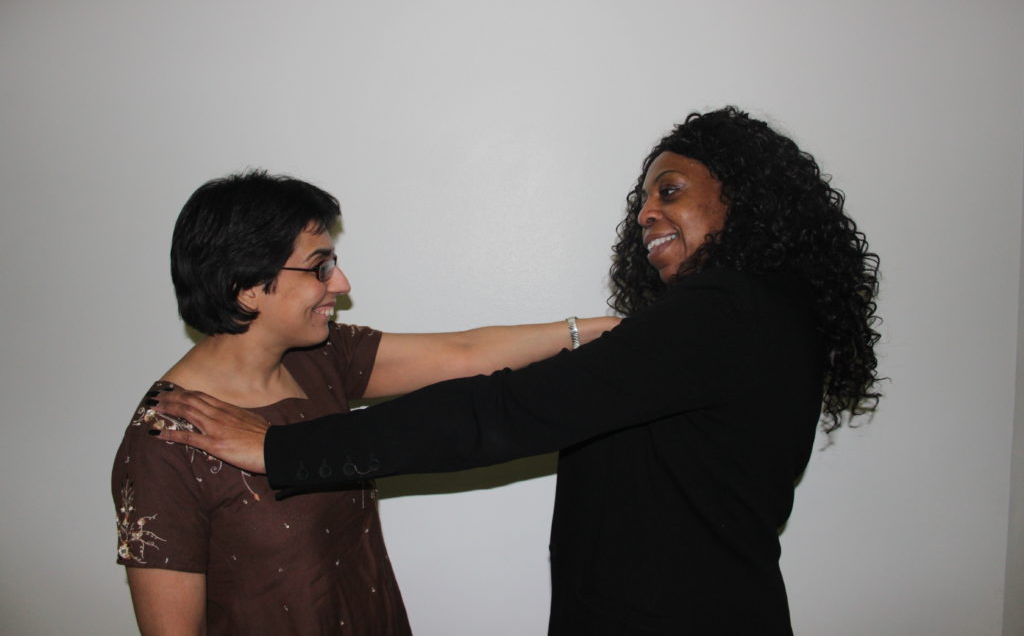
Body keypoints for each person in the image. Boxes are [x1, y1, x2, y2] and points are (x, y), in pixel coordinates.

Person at [152, 107, 882, 635]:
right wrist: (584, 332)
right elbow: (465, 355)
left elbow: (501, 411)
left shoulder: (725, 309)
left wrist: (279, 447)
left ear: (741, 195)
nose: (645, 215)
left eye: (671, 190)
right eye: (644, 198)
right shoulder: (756, 316)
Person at [111, 170, 618, 635]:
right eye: (320, 266)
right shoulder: (166, 440)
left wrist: (602, 332)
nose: (342, 283)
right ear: (245, 288)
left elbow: (464, 352)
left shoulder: (322, 358)